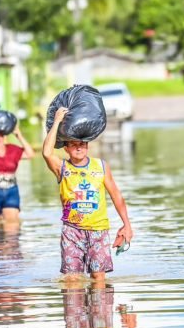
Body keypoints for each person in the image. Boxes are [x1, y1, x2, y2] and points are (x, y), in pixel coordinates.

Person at [42, 107, 134, 283]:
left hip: (98, 230)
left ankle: (99, 309)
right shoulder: (62, 168)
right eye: (73, 144)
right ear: (66, 148)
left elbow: (116, 195)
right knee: (72, 280)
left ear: (87, 146)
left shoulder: (100, 166)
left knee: (98, 279)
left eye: (82, 143)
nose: (78, 147)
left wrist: (126, 225)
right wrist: (56, 122)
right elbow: (46, 153)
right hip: (72, 231)